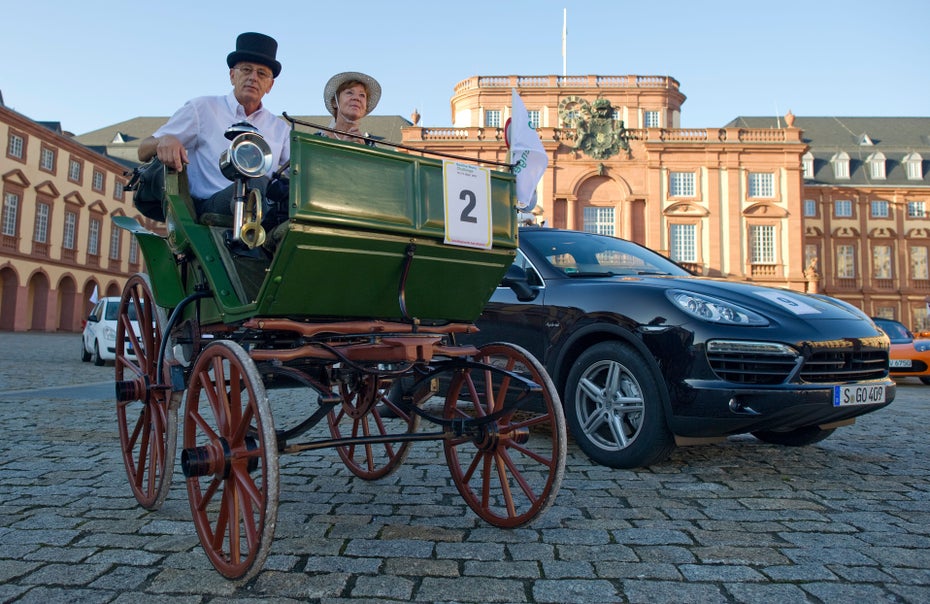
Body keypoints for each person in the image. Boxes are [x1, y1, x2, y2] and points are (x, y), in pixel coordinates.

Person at [137, 32, 291, 216]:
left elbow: (300, 172)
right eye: (246, 70)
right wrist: (165, 140)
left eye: (262, 73)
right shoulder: (202, 108)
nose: (253, 78)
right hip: (212, 206)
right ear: (232, 75)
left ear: (270, 85)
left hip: (261, 210)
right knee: (256, 186)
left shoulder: (281, 129)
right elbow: (143, 150)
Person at [318, 71, 381, 145]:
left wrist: (363, 150)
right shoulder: (317, 141)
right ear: (335, 102)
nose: (356, 98)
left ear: (365, 107)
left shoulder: (370, 146)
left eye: (362, 95)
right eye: (349, 93)